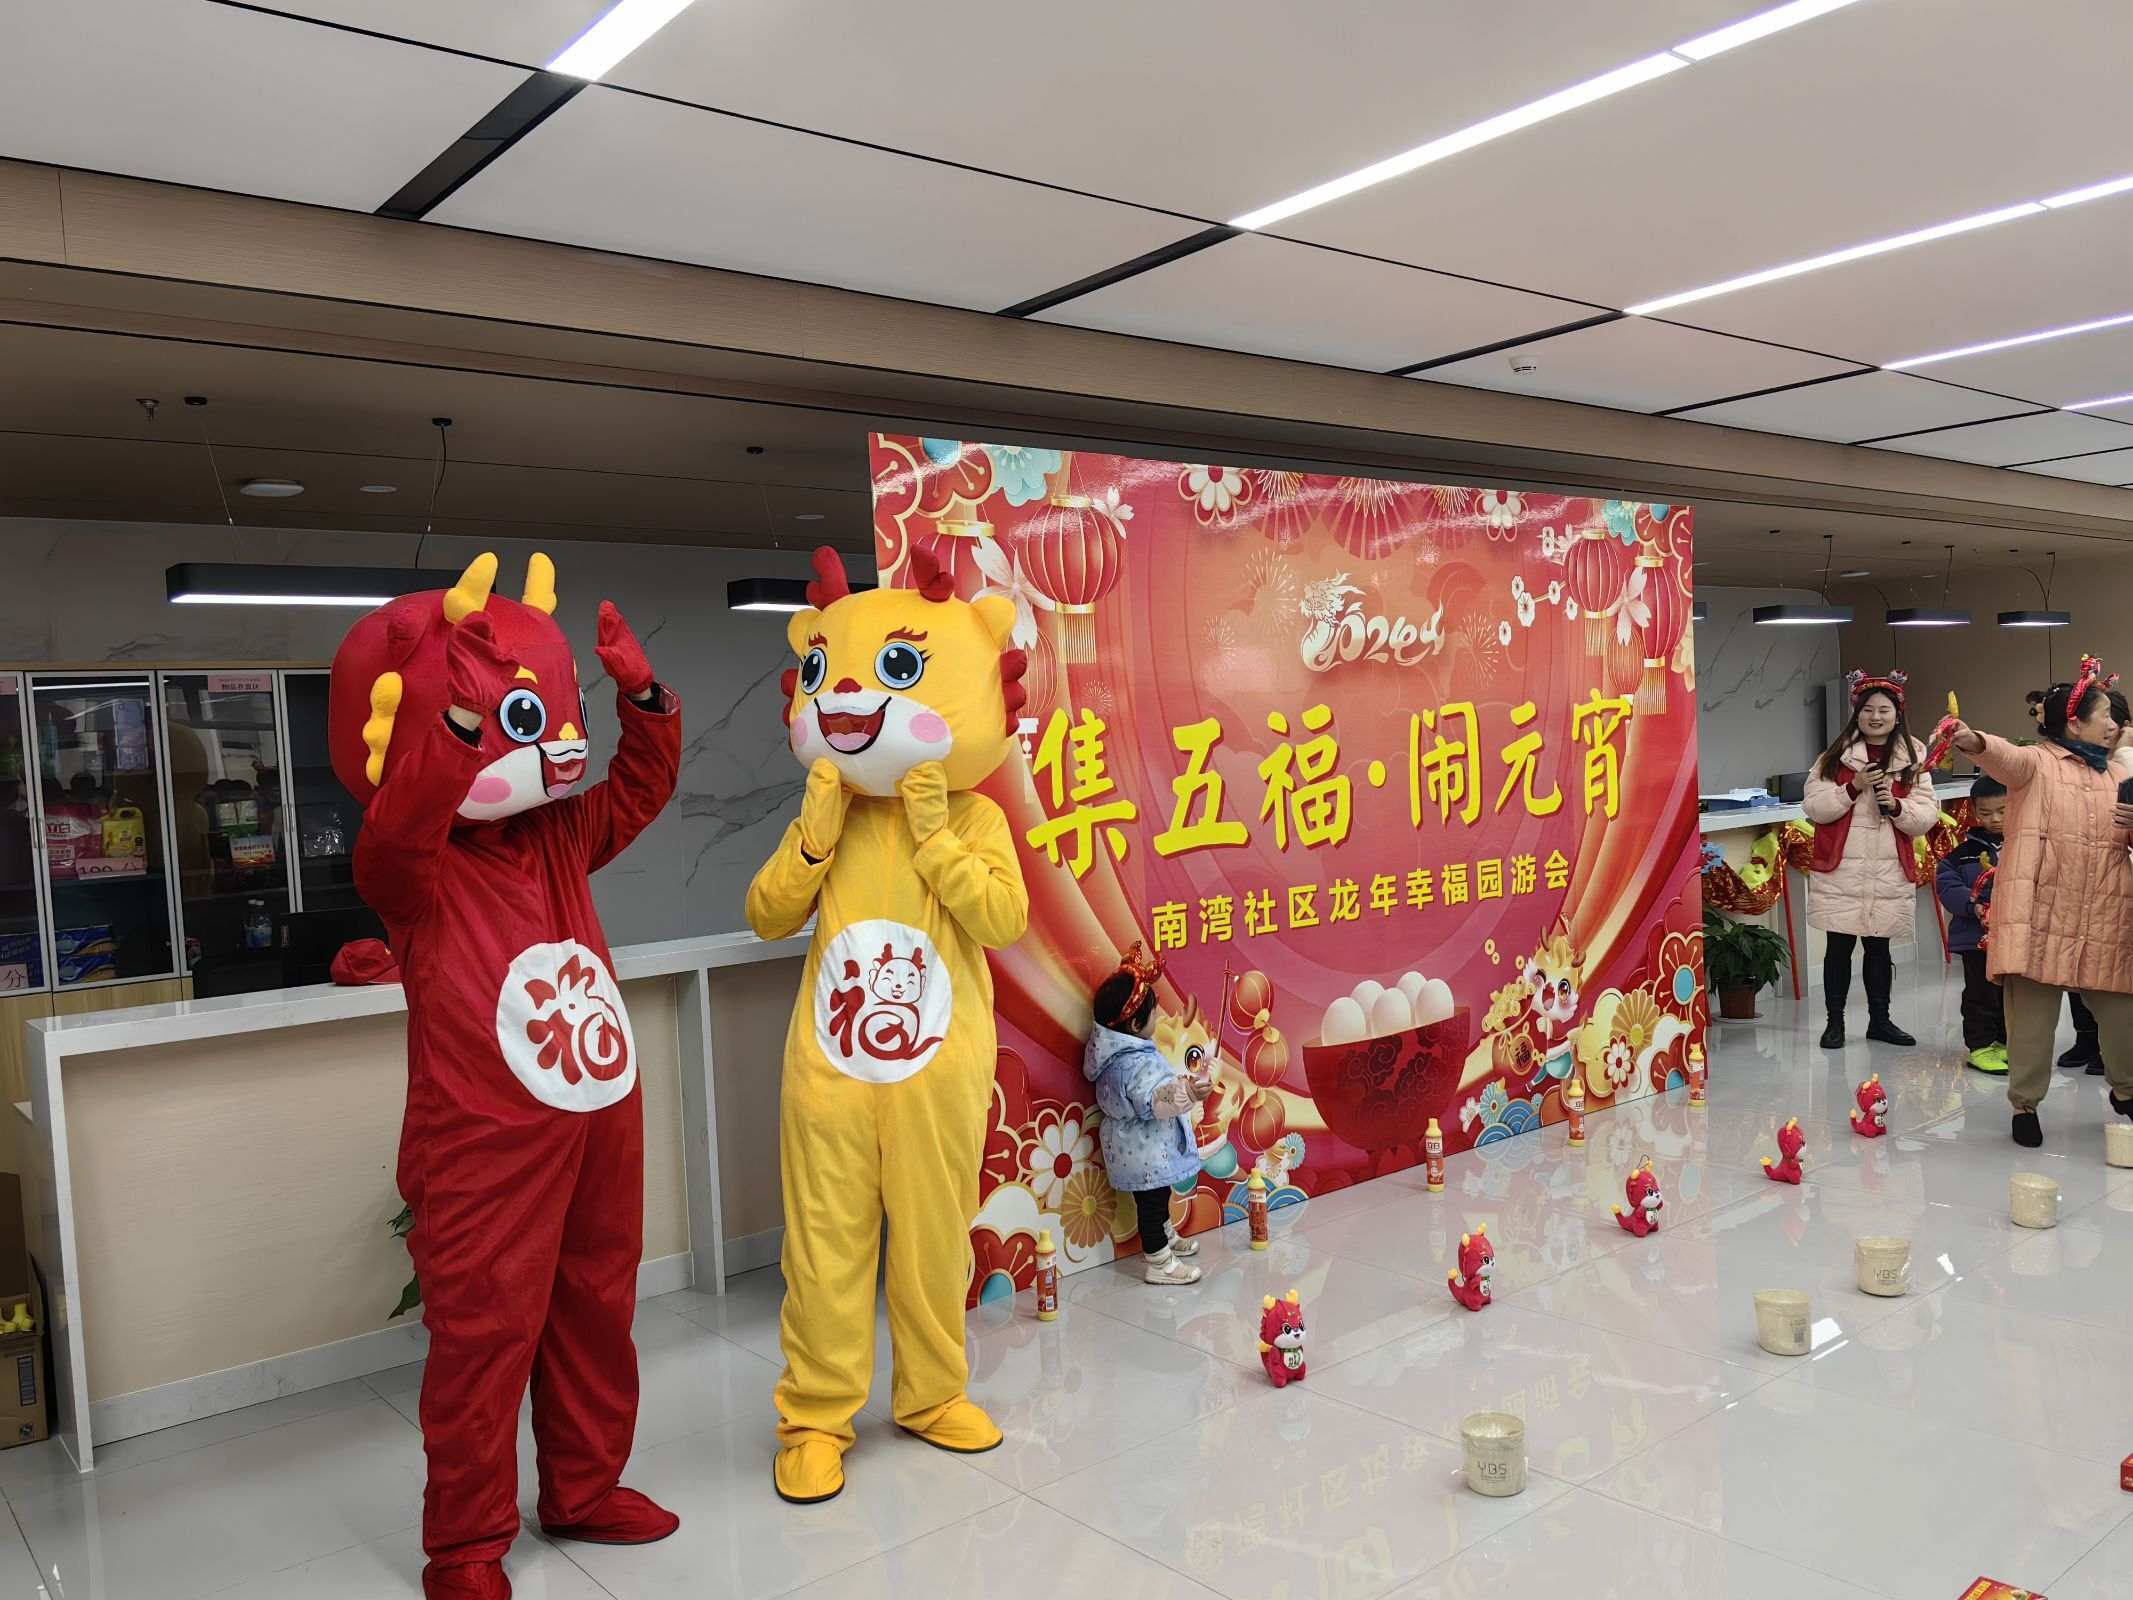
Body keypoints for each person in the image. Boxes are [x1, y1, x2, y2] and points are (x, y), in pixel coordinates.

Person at [329, 554, 682, 1600]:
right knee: (484, 1331)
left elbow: (637, 791)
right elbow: (398, 827)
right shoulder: (412, 868)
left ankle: (584, 1486)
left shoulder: (559, 831)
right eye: (524, 719)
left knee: (595, 1306)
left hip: (596, 1111)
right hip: (483, 1130)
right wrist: (453, 726)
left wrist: (644, 702)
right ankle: (466, 1541)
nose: (554, 742)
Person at [1944, 654, 2133, 1147]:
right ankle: (2024, 1105)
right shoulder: (2036, 764)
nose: (2114, 725)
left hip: (2105, 912)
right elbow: (2002, 756)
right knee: (2031, 1020)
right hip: (2038, 912)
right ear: (2074, 722)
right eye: (2105, 716)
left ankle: (2127, 1091)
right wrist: (1971, 739)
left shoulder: (2119, 777)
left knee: (2122, 1013)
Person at [1802, 669, 1940, 1049]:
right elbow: (1813, 806)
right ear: (1856, 713)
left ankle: (1880, 1021)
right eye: (1867, 710)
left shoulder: (1913, 760)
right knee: (1838, 948)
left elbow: (1926, 815)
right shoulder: (1834, 758)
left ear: (1898, 714)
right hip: (1842, 867)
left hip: (1888, 867)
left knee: (1879, 948)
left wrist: (1896, 806)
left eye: (1883, 710)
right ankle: (1834, 1024)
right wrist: (1852, 787)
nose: (1875, 717)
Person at [1083, 943, 1210, 1286]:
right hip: (1146, 1151)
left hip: (1139, 1149)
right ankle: (1159, 1262)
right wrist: (1189, 1093)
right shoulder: (1134, 1065)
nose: (1158, 1018)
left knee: (1156, 1196)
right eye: (1153, 1015)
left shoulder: (1116, 1056)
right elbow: (1155, 1100)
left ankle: (1165, 1238)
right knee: (1151, 1205)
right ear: (1136, 1023)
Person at [1938, 776, 2007, 1073]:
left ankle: (2004, 1042)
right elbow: (1947, 885)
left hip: (2013, 936)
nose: (1995, 819)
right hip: (1975, 937)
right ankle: (1980, 1046)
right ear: (1975, 811)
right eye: (1987, 812)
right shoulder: (1963, 854)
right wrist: (1973, 904)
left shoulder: (2024, 846)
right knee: (1980, 993)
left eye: (2003, 811)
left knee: (2010, 994)